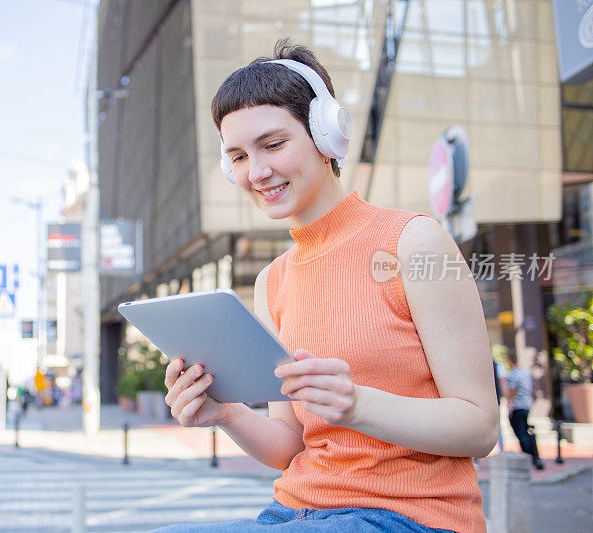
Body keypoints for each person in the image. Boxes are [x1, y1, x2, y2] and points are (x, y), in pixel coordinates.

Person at [159, 40, 498, 533]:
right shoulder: (272, 281)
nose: (256, 172)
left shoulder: (415, 241)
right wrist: (225, 413)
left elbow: (480, 426)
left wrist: (357, 405)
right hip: (295, 512)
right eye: (237, 156)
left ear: (326, 134)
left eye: (273, 144)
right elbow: (290, 446)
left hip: (410, 517)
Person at [505, 351, 544, 470]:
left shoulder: (513, 375)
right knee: (526, 431)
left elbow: (511, 392)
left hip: (517, 406)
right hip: (527, 405)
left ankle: (527, 457)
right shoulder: (525, 372)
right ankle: (534, 457)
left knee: (521, 433)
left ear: (509, 360)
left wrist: (509, 406)